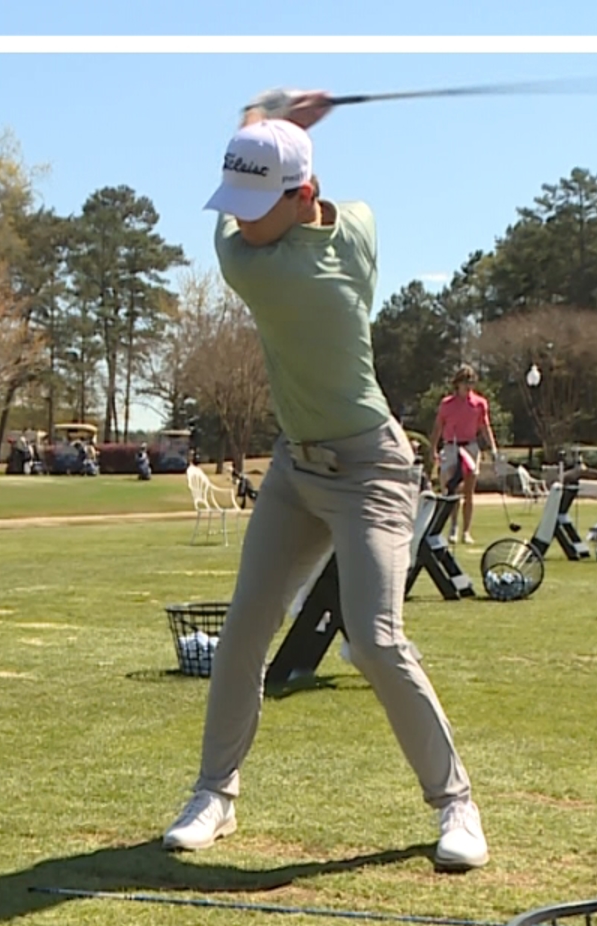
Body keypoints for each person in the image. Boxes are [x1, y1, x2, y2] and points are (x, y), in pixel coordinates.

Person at [161, 88, 487, 872]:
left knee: (376, 640)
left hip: (372, 470)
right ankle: (215, 793)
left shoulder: (257, 271)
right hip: (296, 468)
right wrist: (275, 135)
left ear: (302, 195)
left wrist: (260, 113)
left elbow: (250, 172)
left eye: (254, 202)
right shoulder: (360, 227)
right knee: (244, 628)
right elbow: (348, 203)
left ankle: (457, 805)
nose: (239, 220)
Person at [429, 364, 501, 545]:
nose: (468, 387)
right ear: (457, 384)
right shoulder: (447, 404)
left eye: (471, 383)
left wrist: (493, 448)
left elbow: (485, 426)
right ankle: (453, 528)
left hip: (470, 447)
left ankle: (466, 531)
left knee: (469, 490)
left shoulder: (479, 403)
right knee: (451, 489)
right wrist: (432, 449)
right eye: (465, 383)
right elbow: (438, 427)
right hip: (451, 446)